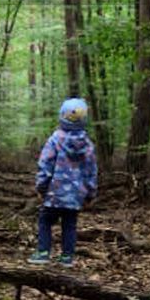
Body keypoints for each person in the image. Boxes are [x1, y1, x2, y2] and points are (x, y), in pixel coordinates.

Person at [29, 97, 97, 267]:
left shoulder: (55, 139)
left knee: (45, 220)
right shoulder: (87, 144)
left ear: (62, 116)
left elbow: (45, 164)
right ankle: (67, 257)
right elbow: (91, 171)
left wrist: (41, 186)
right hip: (75, 195)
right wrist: (90, 193)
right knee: (70, 224)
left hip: (54, 193)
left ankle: (43, 252)